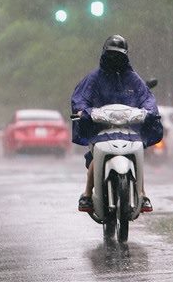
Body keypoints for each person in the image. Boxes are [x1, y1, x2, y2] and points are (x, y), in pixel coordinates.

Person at [71, 34, 162, 213]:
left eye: (118, 55)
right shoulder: (94, 78)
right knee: (95, 158)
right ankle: (87, 194)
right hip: (100, 129)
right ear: (104, 54)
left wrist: (149, 112)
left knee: (138, 156)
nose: (114, 59)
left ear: (125, 56)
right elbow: (80, 98)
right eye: (111, 55)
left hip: (130, 130)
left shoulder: (133, 79)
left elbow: (147, 98)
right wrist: (83, 111)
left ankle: (142, 193)